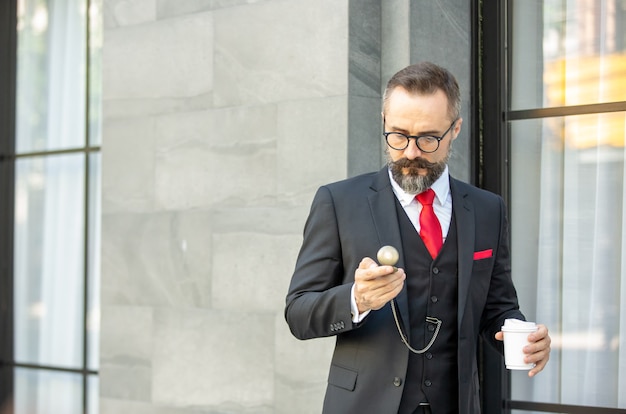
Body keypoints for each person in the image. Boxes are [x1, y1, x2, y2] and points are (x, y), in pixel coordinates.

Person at [284, 62, 551, 414]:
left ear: (455, 129)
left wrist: (526, 339)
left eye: (428, 138)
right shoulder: (338, 202)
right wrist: (356, 299)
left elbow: (497, 307)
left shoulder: (488, 209)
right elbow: (298, 313)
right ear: (383, 122)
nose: (411, 152)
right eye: (398, 135)